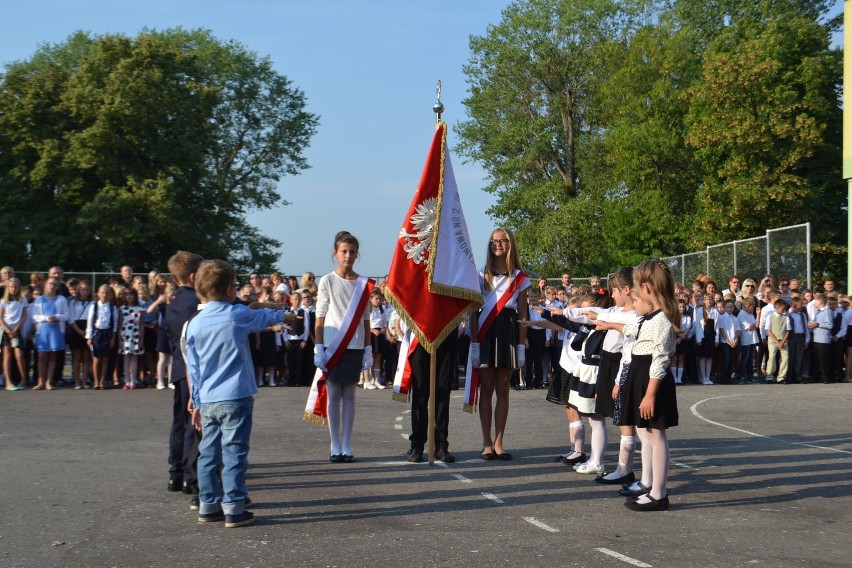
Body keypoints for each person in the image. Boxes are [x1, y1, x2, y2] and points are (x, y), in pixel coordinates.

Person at [186, 259, 292, 528]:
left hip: (208, 398)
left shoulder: (195, 324)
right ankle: (233, 507)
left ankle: (208, 503)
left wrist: (196, 402)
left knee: (208, 452)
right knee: (234, 452)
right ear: (230, 290)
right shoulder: (235, 314)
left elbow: (194, 368)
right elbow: (262, 317)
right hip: (235, 395)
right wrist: (284, 313)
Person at [594, 259, 679, 511]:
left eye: (636, 297)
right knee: (647, 434)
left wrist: (650, 394)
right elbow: (631, 328)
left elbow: (661, 359)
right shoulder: (649, 318)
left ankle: (659, 493)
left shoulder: (661, 320)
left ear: (647, 289)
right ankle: (651, 487)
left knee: (656, 436)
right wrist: (608, 323)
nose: (633, 302)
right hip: (640, 377)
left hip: (651, 382)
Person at [311, 231, 373, 463]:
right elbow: (320, 316)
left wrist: (368, 348)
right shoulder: (327, 280)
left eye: (352, 252)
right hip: (332, 344)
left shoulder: (363, 283)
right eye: (344, 251)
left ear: (357, 254)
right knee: (334, 393)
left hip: (355, 344)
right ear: (335, 253)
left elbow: (366, 319)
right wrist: (318, 346)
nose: (348, 256)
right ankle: (334, 445)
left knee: (350, 395)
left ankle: (347, 445)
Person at [468, 227, 529, 461]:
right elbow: (473, 312)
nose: (498, 245)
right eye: (494, 241)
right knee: (487, 387)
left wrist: (522, 346)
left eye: (503, 241)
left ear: (510, 244)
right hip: (486, 331)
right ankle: (486, 442)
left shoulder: (520, 278)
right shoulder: (480, 274)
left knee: (503, 387)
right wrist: (474, 343)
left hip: (508, 330)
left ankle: (499, 442)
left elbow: (523, 315)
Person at [163, 250, 203, 495]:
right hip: (194, 369)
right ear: (192, 276)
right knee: (193, 423)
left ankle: (175, 473)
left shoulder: (172, 303)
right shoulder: (196, 302)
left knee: (178, 422)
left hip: (178, 368)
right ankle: (190, 475)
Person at [404, 325, 459, 464]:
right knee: (420, 393)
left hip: (446, 330)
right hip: (421, 331)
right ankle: (417, 445)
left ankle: (441, 445)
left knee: (442, 394)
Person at [31, 277, 69, 390]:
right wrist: (47, 318)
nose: (52, 286)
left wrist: (56, 317)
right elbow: (34, 316)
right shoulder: (39, 300)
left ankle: (49, 382)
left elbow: (66, 316)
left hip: (56, 332)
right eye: (50, 284)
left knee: (53, 356)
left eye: (54, 284)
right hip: (42, 331)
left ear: (57, 287)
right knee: (42, 356)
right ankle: (40, 381)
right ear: (45, 285)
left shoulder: (61, 299)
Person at [86, 284, 119, 390]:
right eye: (102, 292)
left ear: (110, 295)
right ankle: (96, 381)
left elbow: (114, 324)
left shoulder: (113, 307)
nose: (104, 295)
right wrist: (89, 337)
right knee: (96, 359)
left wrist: (113, 338)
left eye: (107, 293)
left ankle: (102, 381)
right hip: (97, 334)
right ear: (98, 294)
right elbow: (90, 322)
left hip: (107, 334)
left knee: (105, 359)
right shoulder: (94, 306)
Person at [0, 278, 29, 390]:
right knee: (7, 355)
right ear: (8, 288)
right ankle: (8, 381)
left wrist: (16, 329)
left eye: (16, 287)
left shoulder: (23, 300)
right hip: (5, 330)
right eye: (11, 287)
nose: (13, 289)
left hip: (17, 330)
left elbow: (24, 316)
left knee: (19, 355)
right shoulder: (3, 301)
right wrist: (8, 331)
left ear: (19, 288)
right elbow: (1, 318)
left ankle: (23, 379)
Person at [67, 279, 94, 389]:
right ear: (79, 290)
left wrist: (88, 331)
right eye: (83, 290)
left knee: (86, 357)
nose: (85, 292)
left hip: (88, 328)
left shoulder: (93, 303)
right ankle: (77, 381)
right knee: (77, 357)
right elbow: (70, 318)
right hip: (76, 328)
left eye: (87, 290)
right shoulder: (73, 302)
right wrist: (78, 330)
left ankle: (84, 381)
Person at [118, 288, 145, 389]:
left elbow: (142, 325)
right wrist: (119, 339)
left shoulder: (140, 309)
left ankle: (133, 380)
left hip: (136, 335)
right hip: (125, 335)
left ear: (135, 296)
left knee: (134, 358)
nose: (129, 297)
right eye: (127, 295)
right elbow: (120, 325)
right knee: (126, 358)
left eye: (131, 295)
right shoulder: (121, 309)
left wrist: (141, 339)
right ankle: (127, 380)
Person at [765, 299, 790, 384]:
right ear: (777, 307)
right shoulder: (770, 316)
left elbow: (788, 330)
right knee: (772, 357)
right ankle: (769, 376)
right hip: (773, 341)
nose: (784, 310)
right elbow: (768, 330)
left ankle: (781, 377)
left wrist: (783, 341)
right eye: (783, 309)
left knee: (785, 358)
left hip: (783, 340)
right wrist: (777, 341)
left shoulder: (786, 317)